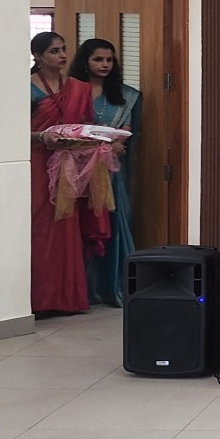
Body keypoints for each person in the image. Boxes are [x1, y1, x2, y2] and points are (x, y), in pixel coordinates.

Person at [29, 31, 100, 316]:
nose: (62, 56)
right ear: (38, 57)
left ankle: (67, 299)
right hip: (38, 164)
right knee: (40, 226)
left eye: (63, 49)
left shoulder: (78, 88)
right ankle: (38, 301)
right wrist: (42, 136)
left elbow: (85, 123)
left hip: (68, 163)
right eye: (54, 51)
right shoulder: (27, 88)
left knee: (67, 227)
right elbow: (12, 132)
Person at [70, 38, 141, 306]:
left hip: (109, 171)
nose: (105, 65)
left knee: (113, 222)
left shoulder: (124, 96)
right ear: (85, 61)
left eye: (109, 60)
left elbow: (124, 133)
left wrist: (111, 145)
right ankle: (83, 290)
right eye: (98, 59)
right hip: (75, 169)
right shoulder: (73, 91)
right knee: (79, 227)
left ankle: (112, 287)